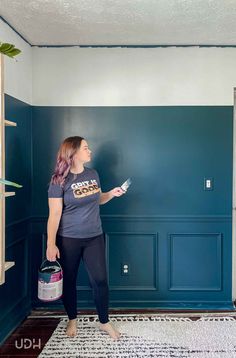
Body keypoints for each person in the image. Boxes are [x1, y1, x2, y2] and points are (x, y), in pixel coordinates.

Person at [46, 136, 126, 339]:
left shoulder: (93, 174)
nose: (90, 151)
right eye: (86, 148)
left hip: (94, 236)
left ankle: (104, 322)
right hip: (68, 239)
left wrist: (111, 193)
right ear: (73, 154)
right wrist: (51, 244)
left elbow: (97, 199)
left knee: (100, 281)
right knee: (69, 281)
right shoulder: (58, 181)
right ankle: (72, 319)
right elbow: (54, 214)